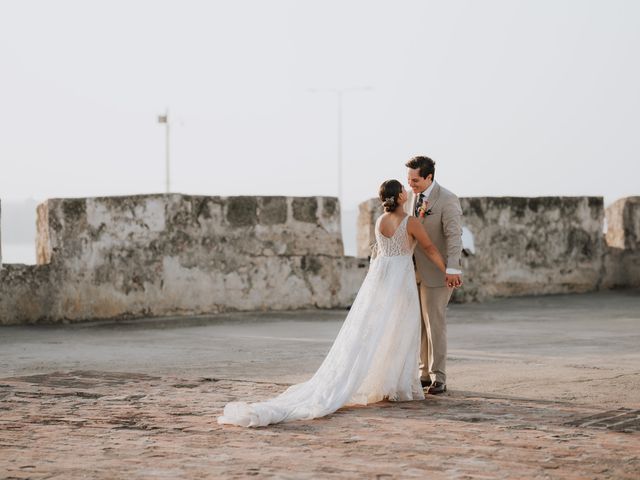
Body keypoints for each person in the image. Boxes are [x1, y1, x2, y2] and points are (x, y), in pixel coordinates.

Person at [218, 180, 446, 427]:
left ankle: (387, 382)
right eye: (403, 189)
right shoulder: (410, 222)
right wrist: (447, 270)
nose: (406, 191)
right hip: (401, 279)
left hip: (382, 278)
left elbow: (384, 250)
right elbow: (429, 247)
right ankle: (396, 384)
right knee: (401, 329)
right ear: (400, 196)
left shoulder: (380, 221)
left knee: (378, 330)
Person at [405, 156, 463, 395]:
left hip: (438, 272)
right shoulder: (409, 197)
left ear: (429, 177)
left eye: (415, 179)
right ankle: (424, 374)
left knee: (434, 323)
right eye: (408, 179)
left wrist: (452, 268)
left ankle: (439, 376)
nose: (411, 184)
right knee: (418, 324)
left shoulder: (448, 199)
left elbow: (454, 236)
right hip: (410, 271)